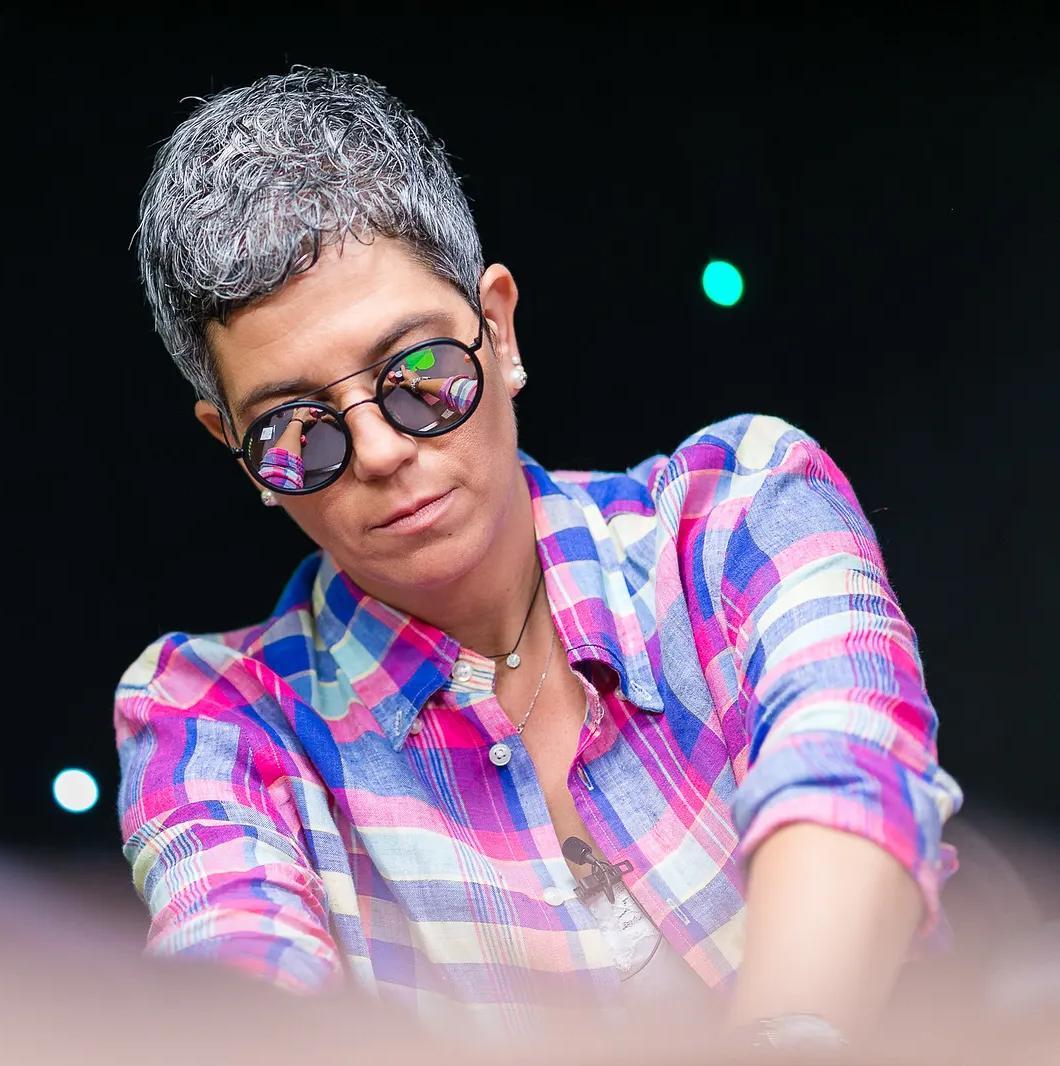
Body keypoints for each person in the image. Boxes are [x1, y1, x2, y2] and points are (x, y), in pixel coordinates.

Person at [115, 66, 965, 1051]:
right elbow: (242, 995)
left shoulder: (734, 512)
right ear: (233, 447)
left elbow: (851, 780)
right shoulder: (212, 718)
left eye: (419, 375)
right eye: (297, 430)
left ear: (499, 327)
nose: (380, 452)